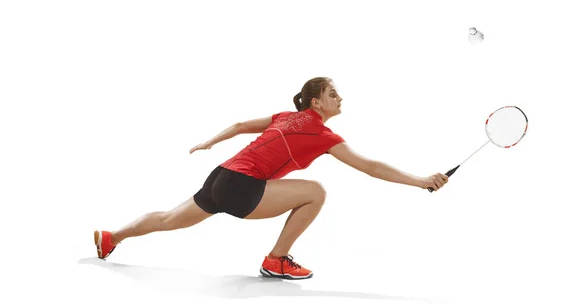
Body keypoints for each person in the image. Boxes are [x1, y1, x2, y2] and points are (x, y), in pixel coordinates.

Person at [94, 77, 449, 280]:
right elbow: (370, 166)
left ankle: (113, 237)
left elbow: (239, 126)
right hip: (241, 185)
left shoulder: (283, 116)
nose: (340, 98)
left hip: (221, 176)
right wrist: (420, 181)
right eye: (332, 94)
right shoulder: (322, 135)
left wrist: (209, 143)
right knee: (315, 192)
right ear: (315, 103)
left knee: (170, 218)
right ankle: (277, 259)